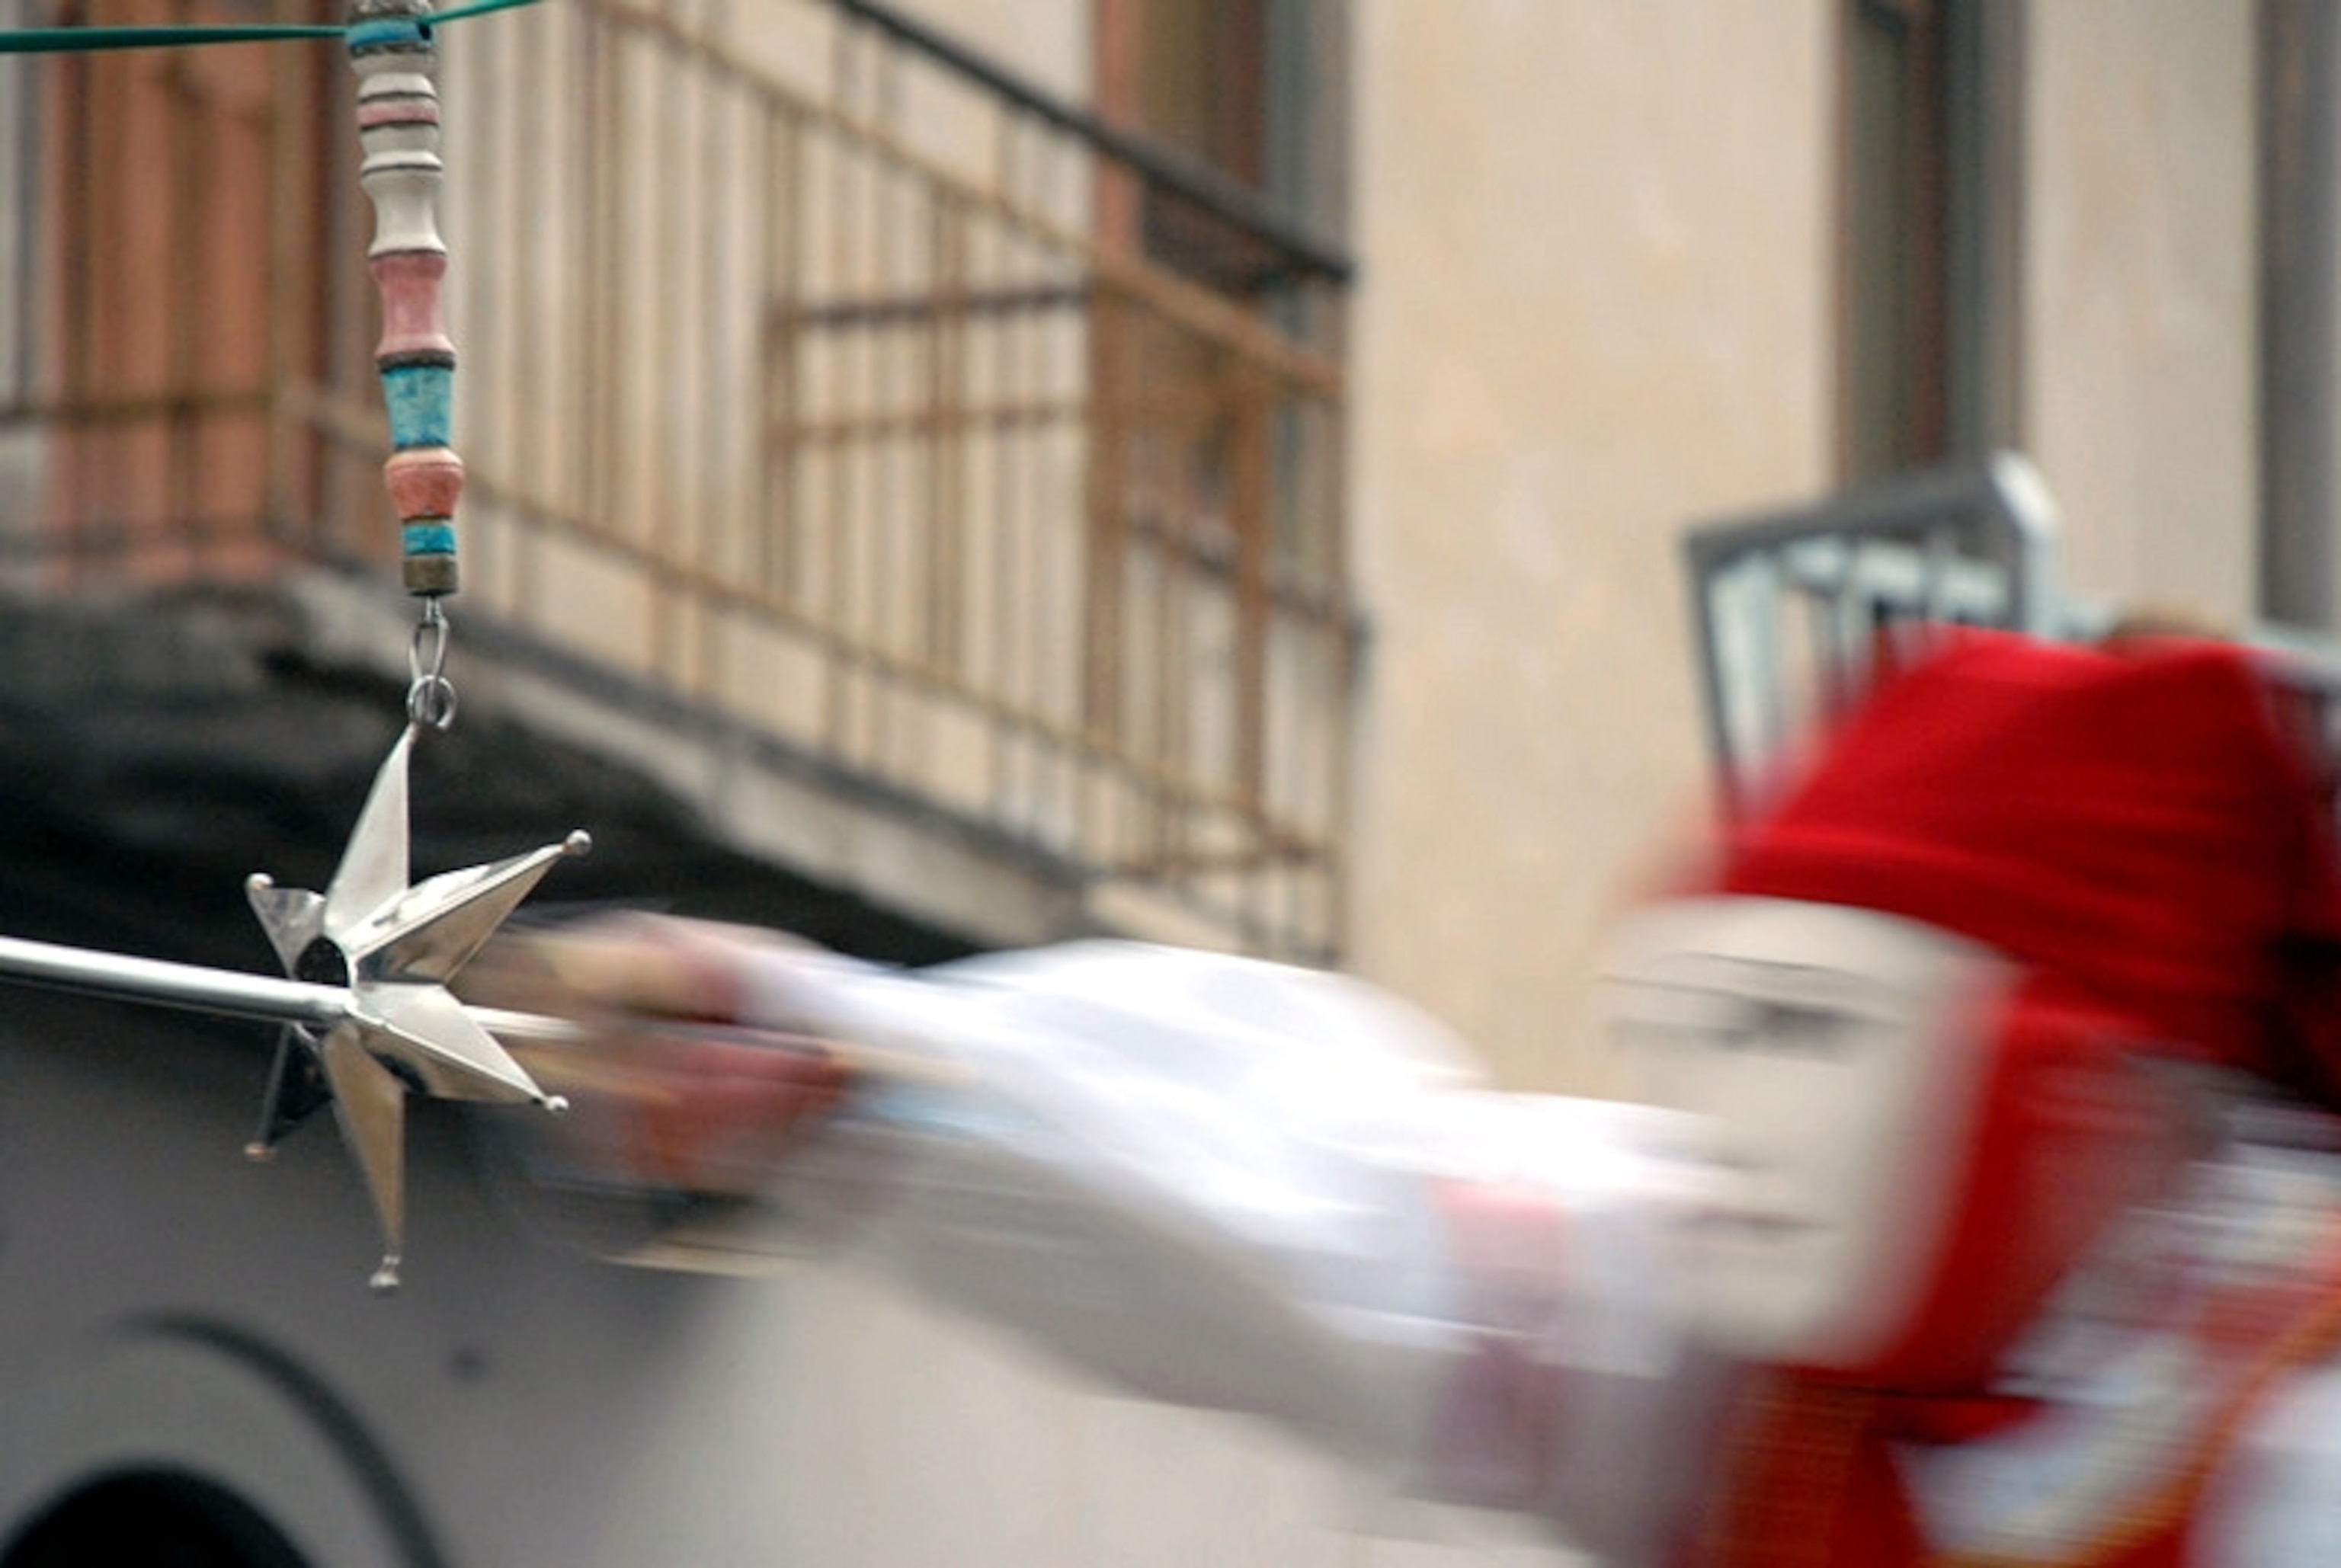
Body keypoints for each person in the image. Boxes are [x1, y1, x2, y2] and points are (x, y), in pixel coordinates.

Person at [481, 629, 2341, 1567]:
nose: (1734, 1126)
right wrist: (838, 1066)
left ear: (2092, 1089)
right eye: (1701, 1032)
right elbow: (1370, 1226)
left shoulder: (2293, 1453)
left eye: (1816, 1037)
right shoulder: (1752, 1372)